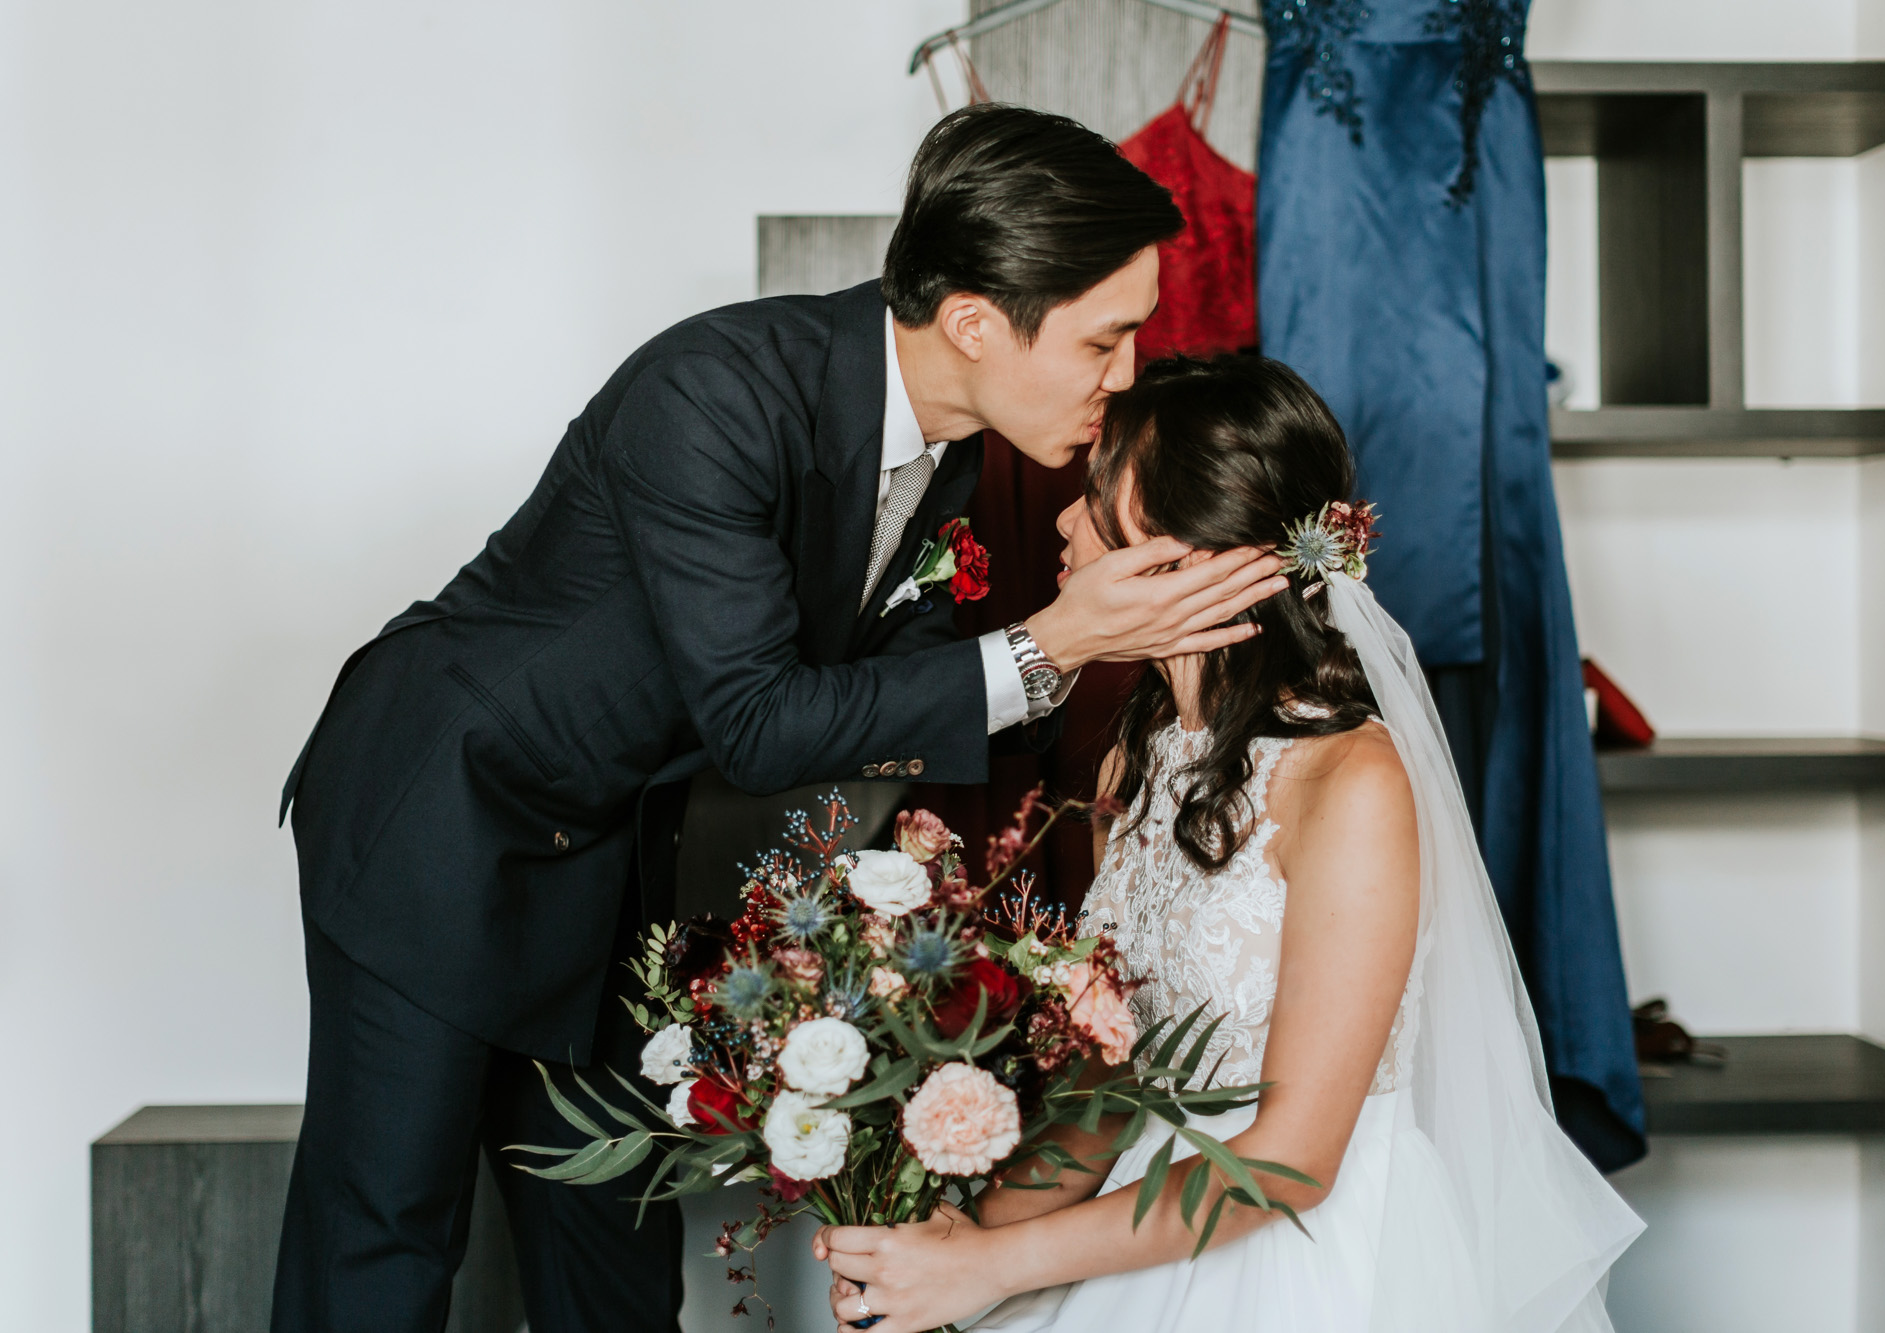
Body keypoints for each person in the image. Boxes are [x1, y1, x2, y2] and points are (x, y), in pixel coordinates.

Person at [271, 105, 1294, 1333]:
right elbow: (758, 721)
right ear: (975, 322)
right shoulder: (711, 390)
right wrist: (1055, 641)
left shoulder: (951, 449)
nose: (1121, 375)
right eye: (1103, 338)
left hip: (601, 846)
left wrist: (1087, 657)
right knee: (386, 1230)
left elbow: (891, 692)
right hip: (440, 802)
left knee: (609, 1243)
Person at [815, 356, 1642, 1333]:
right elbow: (1117, 1078)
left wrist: (994, 1263)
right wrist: (955, 1243)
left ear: (1191, 553)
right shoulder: (1144, 752)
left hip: (1298, 1263)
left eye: (1095, 499)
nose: (1064, 523)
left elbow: (1289, 1160)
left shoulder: (1350, 782)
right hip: (1139, 1227)